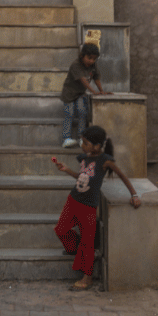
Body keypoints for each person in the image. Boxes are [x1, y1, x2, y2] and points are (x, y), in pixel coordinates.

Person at [50, 125, 142, 291]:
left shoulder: (105, 160)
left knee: (87, 241)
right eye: (82, 142)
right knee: (61, 229)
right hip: (73, 199)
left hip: (88, 206)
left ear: (97, 146)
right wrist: (67, 170)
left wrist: (134, 195)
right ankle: (75, 250)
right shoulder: (84, 157)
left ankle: (87, 278)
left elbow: (122, 176)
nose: (82, 145)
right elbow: (83, 177)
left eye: (85, 143)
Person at [61, 43, 108, 148]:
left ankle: (82, 138)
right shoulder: (76, 65)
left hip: (80, 94)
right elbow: (83, 80)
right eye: (89, 58)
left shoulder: (93, 65)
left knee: (83, 113)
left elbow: (96, 78)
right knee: (69, 114)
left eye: (94, 59)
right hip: (69, 93)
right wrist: (93, 91)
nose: (91, 61)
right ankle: (66, 138)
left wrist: (101, 91)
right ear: (82, 56)